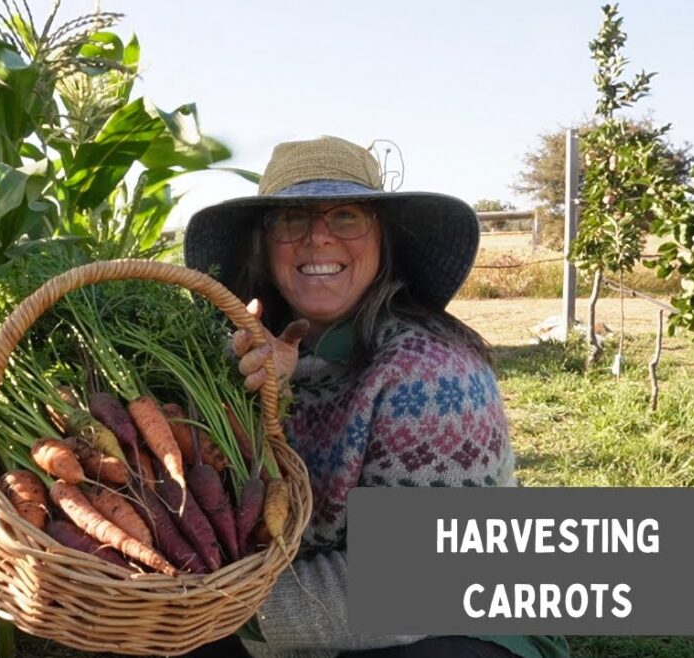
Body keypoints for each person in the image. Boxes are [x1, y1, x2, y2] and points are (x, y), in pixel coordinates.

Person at [180, 136, 570, 658]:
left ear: (382, 241)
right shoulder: (237, 358)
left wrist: (214, 611)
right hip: (282, 607)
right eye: (291, 221)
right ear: (263, 246)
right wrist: (263, 396)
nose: (318, 238)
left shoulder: (434, 376)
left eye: (346, 217)